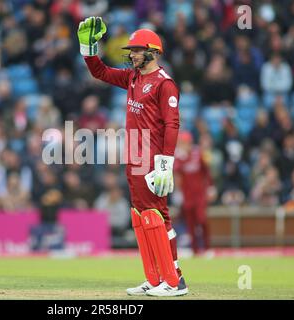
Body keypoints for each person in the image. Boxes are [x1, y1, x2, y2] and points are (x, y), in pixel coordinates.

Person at [78, 17, 187, 297]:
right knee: (140, 216)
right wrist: (88, 47)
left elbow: (172, 125)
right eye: (132, 51)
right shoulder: (133, 78)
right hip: (134, 154)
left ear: (153, 52)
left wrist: (165, 164)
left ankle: (174, 281)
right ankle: (155, 278)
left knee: (156, 216)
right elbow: (99, 72)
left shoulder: (165, 84)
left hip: (151, 158)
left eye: (137, 50)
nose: (133, 55)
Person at [174, 131, 216, 255]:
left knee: (202, 219)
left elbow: (206, 171)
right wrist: (178, 193)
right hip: (187, 195)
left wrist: (210, 187)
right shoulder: (179, 158)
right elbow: (177, 175)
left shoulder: (198, 154)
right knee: (190, 223)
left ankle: (207, 248)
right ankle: (195, 250)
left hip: (200, 194)